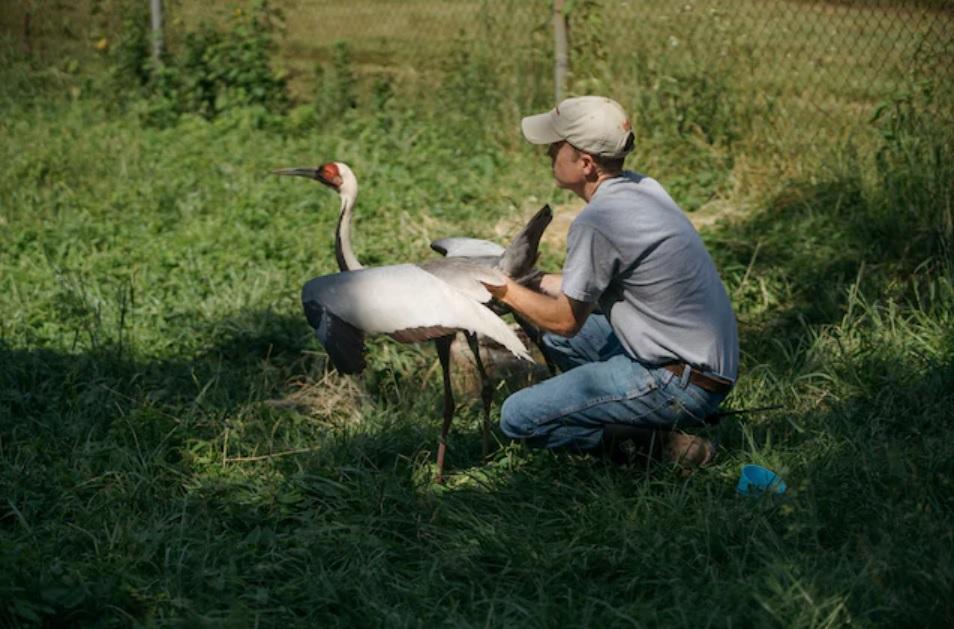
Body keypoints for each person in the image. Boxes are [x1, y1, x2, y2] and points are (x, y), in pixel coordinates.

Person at [484, 95, 739, 468]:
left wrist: (503, 289)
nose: (547, 155)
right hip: (702, 366)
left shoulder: (598, 222)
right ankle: (620, 413)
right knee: (549, 334)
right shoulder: (641, 188)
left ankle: (664, 448)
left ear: (585, 163)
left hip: (679, 382)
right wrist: (533, 281)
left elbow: (565, 320)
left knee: (519, 417)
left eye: (555, 147)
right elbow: (581, 289)